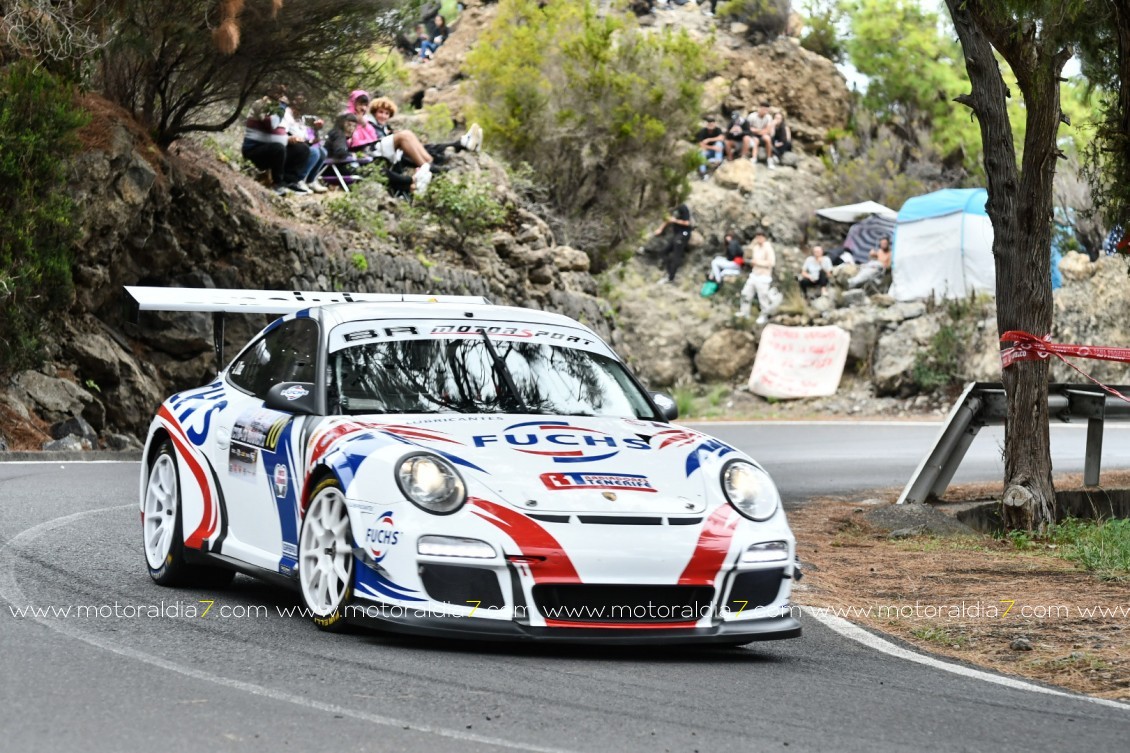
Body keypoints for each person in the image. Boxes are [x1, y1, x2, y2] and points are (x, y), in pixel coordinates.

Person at [241, 86, 310, 195]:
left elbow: (278, 132)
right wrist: (282, 106)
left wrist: (290, 139)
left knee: (302, 149)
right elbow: (272, 124)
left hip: (270, 148)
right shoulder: (260, 104)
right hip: (254, 150)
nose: (281, 96)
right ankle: (277, 184)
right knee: (278, 148)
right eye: (278, 92)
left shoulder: (278, 109)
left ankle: (288, 181)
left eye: (283, 93)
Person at [286, 95, 327, 193]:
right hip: (289, 142)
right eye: (298, 100)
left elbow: (305, 134)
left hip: (301, 141)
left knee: (322, 151)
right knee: (314, 152)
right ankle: (297, 179)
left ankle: (311, 180)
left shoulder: (301, 116)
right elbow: (289, 132)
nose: (301, 103)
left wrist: (316, 129)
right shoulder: (287, 113)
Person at [738, 230, 778, 324]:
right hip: (754, 274)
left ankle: (764, 316)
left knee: (763, 298)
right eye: (757, 237)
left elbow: (771, 263)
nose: (759, 239)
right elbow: (749, 255)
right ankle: (744, 312)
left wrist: (758, 263)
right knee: (746, 293)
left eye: (760, 237)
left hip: (764, 277)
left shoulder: (768, 248)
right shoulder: (756, 247)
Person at [654, 203, 694, 285]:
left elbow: (687, 223)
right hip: (677, 234)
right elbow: (667, 219)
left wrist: (675, 220)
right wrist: (660, 229)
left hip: (684, 233)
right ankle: (669, 272)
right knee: (663, 252)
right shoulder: (672, 208)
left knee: (676, 254)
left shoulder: (683, 207)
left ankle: (670, 277)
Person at [747, 101, 776, 168]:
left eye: (767, 110)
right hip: (753, 135)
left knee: (768, 139)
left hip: (762, 134)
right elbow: (748, 128)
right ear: (759, 108)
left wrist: (757, 130)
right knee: (755, 140)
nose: (765, 111)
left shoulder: (768, 117)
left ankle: (769, 159)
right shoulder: (752, 116)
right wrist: (758, 131)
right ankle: (754, 158)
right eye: (764, 109)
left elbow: (768, 130)